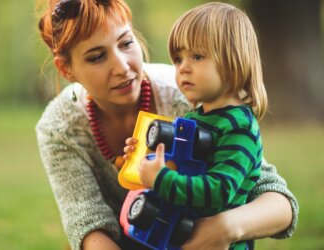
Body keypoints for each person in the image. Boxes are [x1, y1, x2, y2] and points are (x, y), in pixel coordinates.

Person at [35, 0, 298, 249]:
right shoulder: (59, 127)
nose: (122, 67)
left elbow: (276, 200)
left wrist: (225, 227)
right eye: (96, 57)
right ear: (66, 70)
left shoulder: (190, 96)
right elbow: (86, 220)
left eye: (126, 43)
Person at [123, 2, 271, 249]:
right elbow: (181, 168)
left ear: (234, 60)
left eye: (197, 56)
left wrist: (161, 179)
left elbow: (219, 192)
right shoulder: (195, 118)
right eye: (178, 59)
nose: (183, 68)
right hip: (183, 236)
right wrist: (143, 161)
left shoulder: (239, 128)